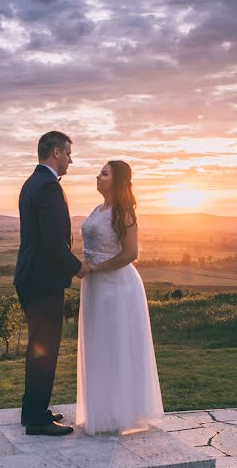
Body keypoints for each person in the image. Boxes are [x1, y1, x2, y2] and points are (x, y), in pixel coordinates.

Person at [76, 160, 163, 435]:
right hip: (95, 285)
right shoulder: (97, 209)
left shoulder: (123, 212)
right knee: (98, 344)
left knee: (117, 345)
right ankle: (103, 412)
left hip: (117, 286)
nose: (98, 177)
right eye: (99, 173)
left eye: (104, 173)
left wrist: (96, 268)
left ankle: (122, 412)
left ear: (117, 180)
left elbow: (130, 253)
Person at [14, 131, 89, 436]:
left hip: (31, 278)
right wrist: (78, 268)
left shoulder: (33, 183)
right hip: (43, 281)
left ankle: (32, 410)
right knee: (45, 349)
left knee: (38, 347)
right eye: (69, 153)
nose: (71, 159)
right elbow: (53, 243)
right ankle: (36, 421)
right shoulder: (48, 187)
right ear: (56, 152)